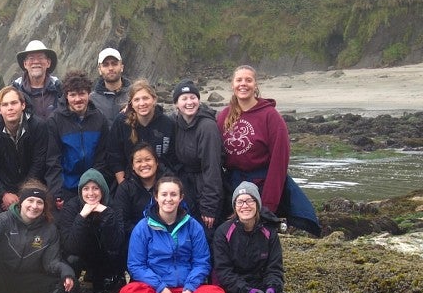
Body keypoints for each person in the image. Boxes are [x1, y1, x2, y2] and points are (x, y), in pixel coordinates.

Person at [214, 182, 324, 293]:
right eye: (240, 202)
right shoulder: (223, 232)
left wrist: (272, 287)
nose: (245, 206)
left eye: (249, 200)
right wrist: (248, 291)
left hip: (263, 284)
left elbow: (275, 267)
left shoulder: (269, 232)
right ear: (234, 206)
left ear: (257, 204)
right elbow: (224, 272)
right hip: (238, 290)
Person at [216, 65, 320, 236]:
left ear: (256, 85)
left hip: (262, 182)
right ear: (232, 84)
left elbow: (279, 162)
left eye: (248, 80)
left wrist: (268, 205)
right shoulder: (224, 116)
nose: (243, 84)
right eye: (239, 80)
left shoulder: (271, 116)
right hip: (233, 183)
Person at [118, 176, 226, 293]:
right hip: (155, 290)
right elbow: (136, 265)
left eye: (173, 195)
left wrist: (189, 287)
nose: (168, 199)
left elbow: (202, 262)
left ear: (181, 197)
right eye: (164, 194)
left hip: (187, 289)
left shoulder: (193, 226)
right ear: (156, 197)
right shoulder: (142, 228)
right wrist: (160, 287)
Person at [45, 69, 110, 207]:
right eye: (73, 95)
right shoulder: (55, 120)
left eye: (82, 93)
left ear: (89, 94)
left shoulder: (100, 119)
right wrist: (56, 192)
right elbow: (52, 160)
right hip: (67, 187)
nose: (78, 99)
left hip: (92, 187)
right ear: (66, 96)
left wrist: (95, 185)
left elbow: (102, 157)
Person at [57, 168, 125, 293]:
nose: (91, 193)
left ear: (103, 190)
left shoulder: (113, 207)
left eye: (95, 188)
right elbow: (70, 247)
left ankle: (106, 277)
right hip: (82, 254)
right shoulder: (71, 207)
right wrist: (82, 216)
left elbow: (116, 243)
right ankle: (71, 284)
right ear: (80, 191)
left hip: (104, 255)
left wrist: (107, 215)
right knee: (72, 258)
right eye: (86, 188)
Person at [0, 86, 48, 210]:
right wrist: (3, 194)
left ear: (23, 105)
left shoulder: (38, 127)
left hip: (34, 186)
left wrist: (23, 193)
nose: (10, 108)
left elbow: (39, 164)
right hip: (5, 193)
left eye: (14, 103)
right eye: (5, 105)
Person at [172, 79, 224, 238]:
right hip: (186, 186)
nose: (189, 102)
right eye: (184, 98)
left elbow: (212, 168)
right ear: (176, 104)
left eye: (193, 97)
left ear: (199, 100)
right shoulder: (175, 123)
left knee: (206, 235)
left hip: (206, 188)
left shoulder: (207, 127)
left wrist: (209, 207)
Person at [108, 80, 180, 184]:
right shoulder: (121, 123)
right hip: (130, 181)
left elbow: (173, 158)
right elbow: (114, 156)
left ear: (154, 99)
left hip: (161, 182)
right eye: (137, 100)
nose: (142, 103)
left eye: (145, 98)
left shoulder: (167, 124)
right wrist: (123, 185)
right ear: (131, 103)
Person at [112, 142, 159, 257]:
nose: (144, 164)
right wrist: (145, 235)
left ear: (156, 162)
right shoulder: (125, 188)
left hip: (167, 238)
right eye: (138, 161)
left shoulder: (169, 184)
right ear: (132, 166)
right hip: (136, 240)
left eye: (148, 159)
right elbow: (121, 221)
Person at [12, 40, 62, 119]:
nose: (36, 62)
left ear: (48, 63)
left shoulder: (59, 89)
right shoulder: (15, 90)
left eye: (40, 57)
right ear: (25, 64)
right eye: (31, 58)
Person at [90, 48, 132, 124]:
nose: (110, 68)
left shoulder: (134, 96)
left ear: (122, 67)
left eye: (114, 63)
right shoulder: (91, 101)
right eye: (105, 65)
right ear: (99, 70)